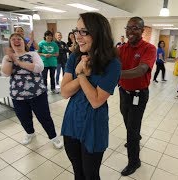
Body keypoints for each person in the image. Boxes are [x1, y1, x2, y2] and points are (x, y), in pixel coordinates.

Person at [60, 12, 121, 180]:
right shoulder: (75, 57)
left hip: (94, 125)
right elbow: (64, 92)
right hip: (72, 119)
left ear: (98, 33)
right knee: (78, 172)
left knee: (91, 174)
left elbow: (96, 101)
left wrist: (81, 75)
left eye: (84, 31)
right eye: (76, 31)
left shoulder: (112, 64)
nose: (77, 37)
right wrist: (82, 74)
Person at [1, 33, 63, 149]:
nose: (16, 41)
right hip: (17, 96)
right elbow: (5, 73)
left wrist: (18, 62)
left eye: (19, 39)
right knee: (23, 117)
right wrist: (10, 59)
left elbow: (39, 68)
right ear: (10, 44)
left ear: (24, 42)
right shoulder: (7, 58)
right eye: (13, 39)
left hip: (37, 93)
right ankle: (30, 133)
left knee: (44, 117)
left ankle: (53, 137)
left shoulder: (32, 54)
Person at [118, 16, 156, 176]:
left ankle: (134, 161)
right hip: (123, 92)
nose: (131, 31)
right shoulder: (122, 48)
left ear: (142, 30)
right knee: (126, 119)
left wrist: (116, 74)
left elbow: (141, 70)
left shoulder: (149, 48)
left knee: (132, 130)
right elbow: (108, 59)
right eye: (128, 27)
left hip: (139, 95)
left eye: (135, 28)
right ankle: (135, 135)